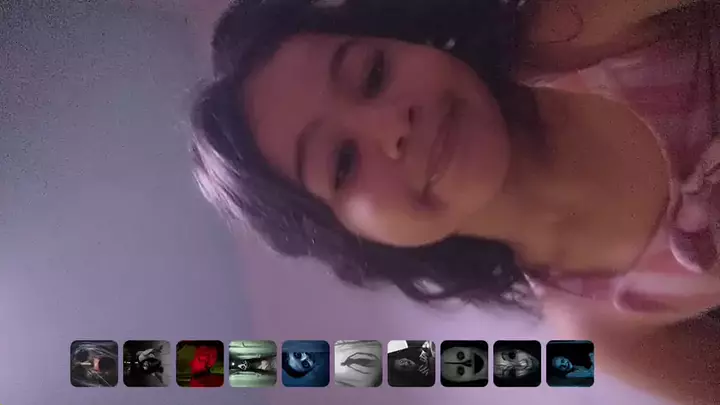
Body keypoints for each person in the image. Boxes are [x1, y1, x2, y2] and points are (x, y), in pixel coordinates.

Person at [190, 0, 720, 403]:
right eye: (343, 163)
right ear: (359, 238)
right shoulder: (598, 326)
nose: (391, 126)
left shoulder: (570, 29)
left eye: (373, 74)